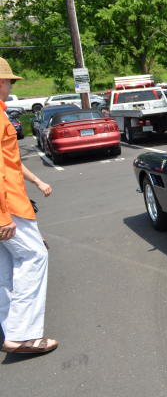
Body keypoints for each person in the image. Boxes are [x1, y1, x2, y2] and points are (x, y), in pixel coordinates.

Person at [0, 57, 57, 354]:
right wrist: (2, 217)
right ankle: (23, 336)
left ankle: (10, 330)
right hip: (7, 206)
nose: (11, 85)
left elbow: (10, 161)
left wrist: (36, 182)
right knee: (34, 257)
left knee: (6, 267)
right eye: (9, 80)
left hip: (9, 203)